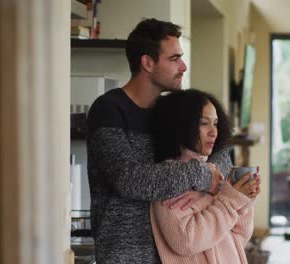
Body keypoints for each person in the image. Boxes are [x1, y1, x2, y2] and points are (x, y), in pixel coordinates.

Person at [86, 18, 225, 263]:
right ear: (147, 63)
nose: (183, 66)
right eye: (174, 59)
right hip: (127, 256)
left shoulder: (175, 110)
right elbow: (129, 179)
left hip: (177, 254)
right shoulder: (109, 110)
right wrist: (201, 176)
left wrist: (210, 181)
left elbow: (220, 156)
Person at [150, 89, 261, 264]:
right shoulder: (169, 179)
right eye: (203, 123)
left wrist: (245, 200)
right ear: (180, 125)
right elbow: (186, 241)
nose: (213, 132)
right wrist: (230, 201)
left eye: (216, 124)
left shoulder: (213, 174)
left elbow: (240, 235)